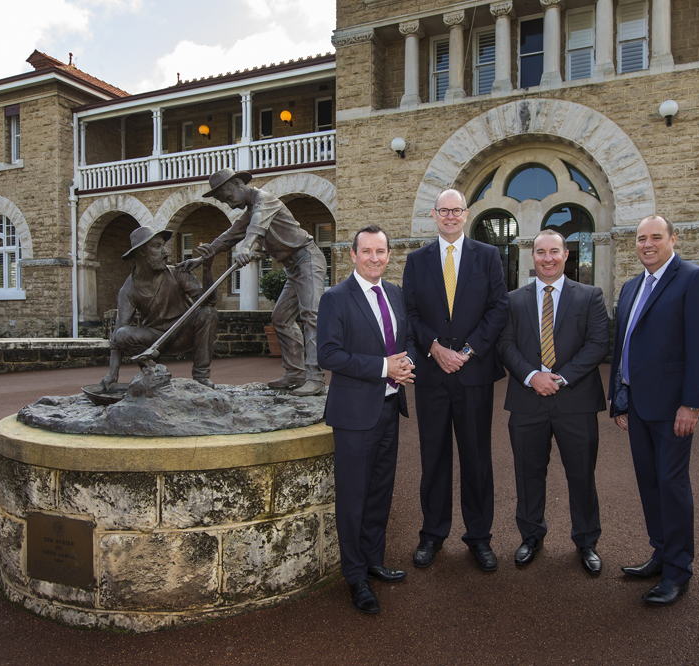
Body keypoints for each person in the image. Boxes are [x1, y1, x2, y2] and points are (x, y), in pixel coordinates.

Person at [610, 214, 699, 606]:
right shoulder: (630, 287)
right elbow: (622, 348)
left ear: (673, 238)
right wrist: (618, 399)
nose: (647, 244)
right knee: (650, 483)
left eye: (655, 237)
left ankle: (678, 572)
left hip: (674, 408)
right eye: (641, 238)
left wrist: (692, 404)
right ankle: (660, 554)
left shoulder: (696, 279)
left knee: (672, 485)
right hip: (638, 405)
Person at [402, 188, 509, 572]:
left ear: (466, 214)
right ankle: (432, 534)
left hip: (473, 373)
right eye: (443, 210)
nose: (450, 216)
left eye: (456, 210)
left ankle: (479, 538)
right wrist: (433, 347)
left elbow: (499, 307)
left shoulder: (488, 255)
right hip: (432, 375)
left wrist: (468, 350)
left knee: (477, 459)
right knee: (433, 459)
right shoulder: (417, 260)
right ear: (434, 215)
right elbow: (410, 312)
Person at [496, 229, 609, 574]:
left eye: (554, 251)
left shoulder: (590, 296)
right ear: (533, 256)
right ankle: (531, 536)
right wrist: (533, 377)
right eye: (541, 252)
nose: (548, 258)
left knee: (581, 475)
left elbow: (597, 343)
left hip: (575, 400)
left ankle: (586, 541)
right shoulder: (514, 299)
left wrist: (559, 378)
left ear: (566, 255)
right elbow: (505, 345)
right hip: (528, 401)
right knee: (528, 474)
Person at [317, 224, 415, 614]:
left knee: (379, 492)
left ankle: (373, 560)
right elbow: (329, 355)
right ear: (352, 255)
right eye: (367, 252)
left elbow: (399, 343)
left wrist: (403, 367)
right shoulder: (336, 298)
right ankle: (355, 576)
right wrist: (383, 367)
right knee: (354, 498)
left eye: (381, 251)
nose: (375, 258)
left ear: (389, 255)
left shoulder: (394, 293)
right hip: (355, 414)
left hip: (390, 408)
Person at [183, 167, 327, 396]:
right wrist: (200, 259)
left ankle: (315, 377)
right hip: (293, 268)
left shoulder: (265, 201)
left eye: (228, 198)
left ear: (238, 184)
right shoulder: (250, 211)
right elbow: (229, 236)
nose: (229, 204)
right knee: (280, 318)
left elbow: (255, 229)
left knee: (311, 315)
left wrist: (247, 246)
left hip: (307, 260)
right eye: (224, 202)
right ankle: (295, 372)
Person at [101, 225, 219, 390]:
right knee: (122, 334)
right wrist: (112, 374)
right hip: (156, 341)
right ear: (142, 252)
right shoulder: (128, 289)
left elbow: (209, 302)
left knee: (208, 313)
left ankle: (201, 376)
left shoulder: (179, 273)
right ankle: (151, 374)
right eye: (157, 246)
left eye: (163, 245)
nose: (165, 252)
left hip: (184, 333)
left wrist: (207, 269)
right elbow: (117, 337)